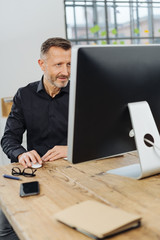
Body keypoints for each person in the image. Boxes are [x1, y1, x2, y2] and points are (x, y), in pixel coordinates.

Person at [0, 37, 71, 239]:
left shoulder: (80, 94)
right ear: (42, 64)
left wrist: (70, 148)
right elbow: (8, 139)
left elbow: (96, 137)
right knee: (6, 229)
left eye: (69, 64)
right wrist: (21, 154)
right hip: (35, 174)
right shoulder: (24, 95)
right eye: (58, 64)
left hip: (71, 174)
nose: (65, 72)